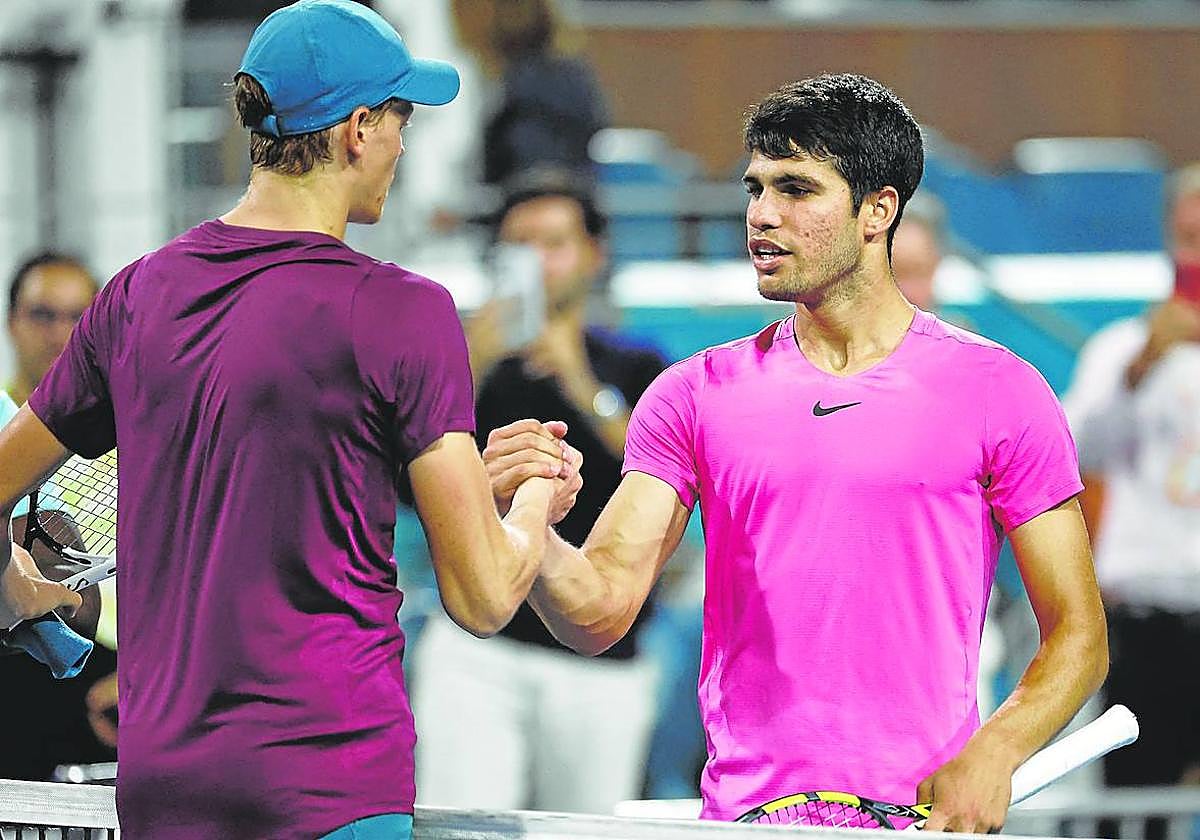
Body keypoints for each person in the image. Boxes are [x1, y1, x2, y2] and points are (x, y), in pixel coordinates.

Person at [0, 1, 580, 837]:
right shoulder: (405, 311)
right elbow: (485, 595)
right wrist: (532, 502)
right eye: (400, 119)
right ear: (357, 130)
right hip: (330, 786)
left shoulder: (135, 295)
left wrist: (19, 588)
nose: (404, 145)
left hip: (165, 791)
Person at [484, 74, 1108, 832]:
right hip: (751, 821)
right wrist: (530, 529)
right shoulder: (692, 395)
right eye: (755, 189)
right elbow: (598, 611)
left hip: (920, 820)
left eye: (796, 189)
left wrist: (996, 751)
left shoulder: (999, 389)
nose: (762, 214)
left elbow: (1078, 636)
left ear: (878, 210)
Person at [411, 171, 667, 814]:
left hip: (599, 658)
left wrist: (580, 381)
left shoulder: (636, 366)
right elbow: (411, 488)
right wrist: (466, 364)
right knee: (460, 824)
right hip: (479, 647)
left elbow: (660, 475)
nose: (536, 261)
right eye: (519, 245)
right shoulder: (465, 367)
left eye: (553, 243)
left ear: (593, 255)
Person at [1062, 162, 1200, 788]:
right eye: (1190, 238)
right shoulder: (1121, 349)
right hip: (1148, 617)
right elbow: (1074, 452)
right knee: (1138, 803)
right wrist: (1142, 366)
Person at [5, 253, 99, 407]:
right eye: (42, 315)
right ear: (11, 323)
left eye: (79, 318)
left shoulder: (120, 418)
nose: (60, 335)